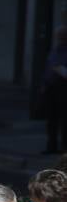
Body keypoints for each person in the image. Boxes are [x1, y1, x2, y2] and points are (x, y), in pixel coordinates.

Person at [44, 26, 67, 154]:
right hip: (51, 87)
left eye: (63, 36)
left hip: (63, 88)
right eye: (59, 36)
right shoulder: (55, 51)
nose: (60, 39)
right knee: (51, 118)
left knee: (64, 119)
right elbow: (48, 67)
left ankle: (64, 146)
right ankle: (51, 145)